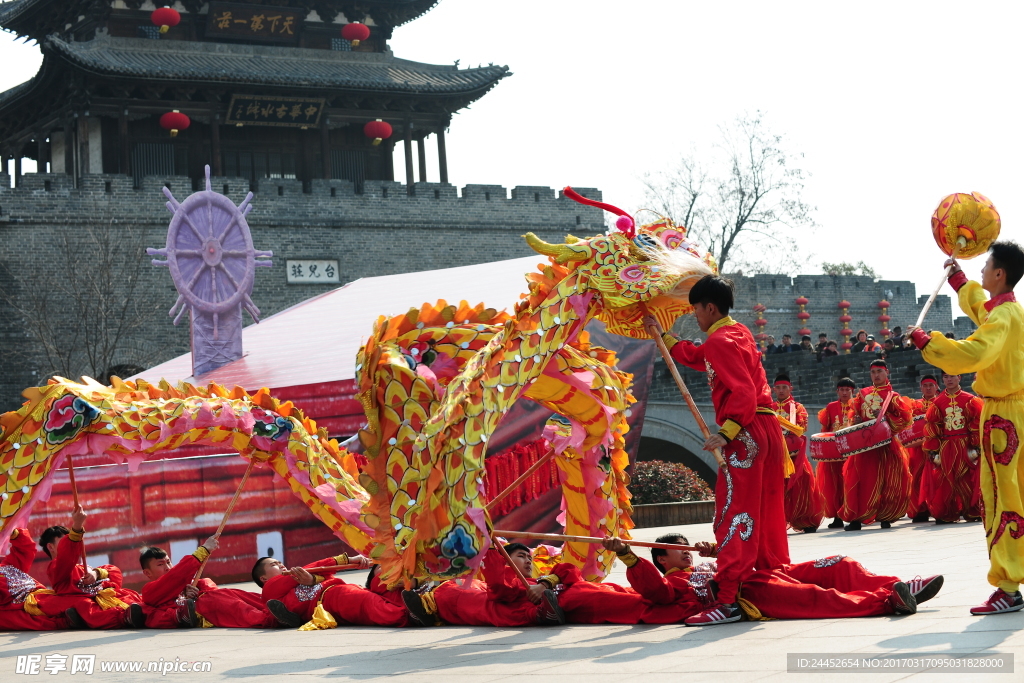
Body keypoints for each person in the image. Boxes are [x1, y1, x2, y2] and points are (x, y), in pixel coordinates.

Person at [654, 275, 789, 626]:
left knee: (734, 512)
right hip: (768, 429)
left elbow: (741, 391)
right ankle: (773, 581)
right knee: (766, 511)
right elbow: (701, 358)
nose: (695, 316)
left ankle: (728, 600)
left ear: (709, 307)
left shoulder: (719, 340)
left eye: (696, 310)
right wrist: (665, 338)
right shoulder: (738, 333)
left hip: (746, 431)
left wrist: (727, 431)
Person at [908, 241, 1024, 615]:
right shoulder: (1008, 312)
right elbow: (981, 308)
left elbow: (975, 352)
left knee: (1001, 497)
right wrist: (958, 280)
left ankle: (1008, 586)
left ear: (1000, 273)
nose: (981, 270)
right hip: (1016, 410)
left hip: (1004, 416)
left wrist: (931, 345)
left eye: (985, 265)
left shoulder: (1003, 318)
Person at [35, 506, 144, 629]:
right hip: (87, 603)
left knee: (127, 595)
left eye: (70, 539)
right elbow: (66, 556)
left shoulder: (82, 567)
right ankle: (125, 617)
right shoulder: (55, 567)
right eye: (65, 540)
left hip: (105, 596)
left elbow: (114, 572)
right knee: (85, 606)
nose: (71, 542)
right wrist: (77, 525)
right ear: (51, 547)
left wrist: (96, 573)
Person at [407, 544, 565, 627]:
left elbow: (569, 570)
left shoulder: (539, 578)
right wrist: (489, 548)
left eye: (529, 557)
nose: (529, 561)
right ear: (504, 559)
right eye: (521, 556)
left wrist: (546, 583)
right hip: (514, 606)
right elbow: (499, 585)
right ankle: (424, 611)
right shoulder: (497, 578)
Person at [839, 360, 913, 531]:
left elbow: (905, 419)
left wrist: (885, 418)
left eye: (880, 371)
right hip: (864, 446)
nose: (876, 375)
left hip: (886, 445)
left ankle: (886, 516)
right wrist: (855, 421)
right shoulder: (862, 394)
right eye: (873, 372)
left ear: (887, 373)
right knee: (859, 480)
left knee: (889, 481)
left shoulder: (892, 396)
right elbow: (854, 416)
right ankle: (856, 517)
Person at [139, 539, 277, 629]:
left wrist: (195, 591)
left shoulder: (184, 584)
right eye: (160, 564)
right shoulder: (149, 591)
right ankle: (270, 619)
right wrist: (203, 551)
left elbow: (206, 584)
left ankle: (278, 608)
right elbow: (174, 577)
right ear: (148, 573)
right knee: (231, 604)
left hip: (209, 602)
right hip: (202, 611)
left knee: (234, 594)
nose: (168, 567)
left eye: (168, 562)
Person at [253, 553, 413, 629]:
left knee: (378, 598)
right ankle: (410, 617)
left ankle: (418, 608)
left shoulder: (291, 585)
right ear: (264, 579)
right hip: (332, 598)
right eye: (274, 564)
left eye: (281, 562)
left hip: (338, 594)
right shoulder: (271, 588)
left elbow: (320, 573)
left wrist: (313, 580)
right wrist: (348, 560)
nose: (281, 565)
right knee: (370, 605)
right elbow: (313, 569)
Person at [923, 372, 984, 525]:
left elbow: (977, 423)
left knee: (967, 477)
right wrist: (933, 449)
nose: (949, 380)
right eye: (945, 377)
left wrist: (976, 446)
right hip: (946, 445)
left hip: (965, 444)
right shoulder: (938, 402)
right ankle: (947, 512)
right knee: (945, 478)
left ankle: (973, 510)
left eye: (952, 376)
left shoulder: (970, 400)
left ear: (959, 378)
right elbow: (933, 426)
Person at [774, 374, 824, 533]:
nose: (781, 391)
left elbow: (802, 427)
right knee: (778, 488)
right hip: (776, 455)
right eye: (778, 388)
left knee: (802, 484)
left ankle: (806, 520)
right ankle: (778, 521)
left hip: (795, 455)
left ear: (790, 388)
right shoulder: (770, 408)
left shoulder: (797, 408)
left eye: (784, 387)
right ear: (773, 389)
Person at [0, 528, 68, 631]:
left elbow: (25, 550)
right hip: (46, 614)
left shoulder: (7, 565)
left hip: (48, 599)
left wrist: (14, 533)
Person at [817, 378, 857, 529]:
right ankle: (837, 517)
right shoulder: (831, 407)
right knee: (834, 486)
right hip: (835, 453)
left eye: (848, 390)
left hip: (853, 451)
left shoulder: (858, 405)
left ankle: (854, 515)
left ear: (853, 392)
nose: (845, 392)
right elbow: (825, 430)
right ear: (837, 391)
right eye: (842, 390)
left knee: (852, 484)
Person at [907, 376, 941, 523]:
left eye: (931, 385)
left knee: (938, 478)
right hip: (918, 449)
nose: (928, 388)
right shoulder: (914, 405)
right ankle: (920, 510)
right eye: (925, 386)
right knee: (917, 479)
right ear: (921, 388)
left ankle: (939, 508)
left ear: (936, 387)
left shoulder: (941, 402)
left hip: (938, 446)